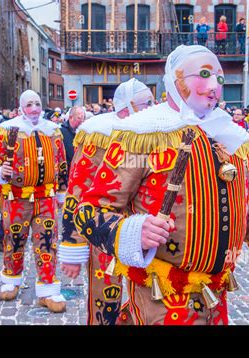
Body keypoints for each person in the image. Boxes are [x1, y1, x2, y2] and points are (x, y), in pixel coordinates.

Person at [74, 45, 249, 325]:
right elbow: (90, 210)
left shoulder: (231, 138)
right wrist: (131, 231)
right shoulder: (141, 134)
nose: (214, 86)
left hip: (216, 294)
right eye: (203, 74)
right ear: (175, 80)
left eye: (219, 78)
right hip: (158, 295)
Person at [60, 78, 155, 325]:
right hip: (104, 229)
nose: (152, 108)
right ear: (126, 108)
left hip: (145, 231)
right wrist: (72, 244)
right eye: (146, 103)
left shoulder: (157, 133)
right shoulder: (98, 135)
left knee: (147, 298)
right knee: (105, 299)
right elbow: (77, 191)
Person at [0, 90, 68, 312]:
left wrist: (62, 190)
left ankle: (48, 289)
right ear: (21, 107)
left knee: (47, 240)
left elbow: (61, 163)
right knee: (14, 239)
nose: (34, 108)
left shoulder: (53, 131)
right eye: (29, 104)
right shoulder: (7, 130)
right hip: (16, 197)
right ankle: (11, 278)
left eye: (37, 103)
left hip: (45, 197)